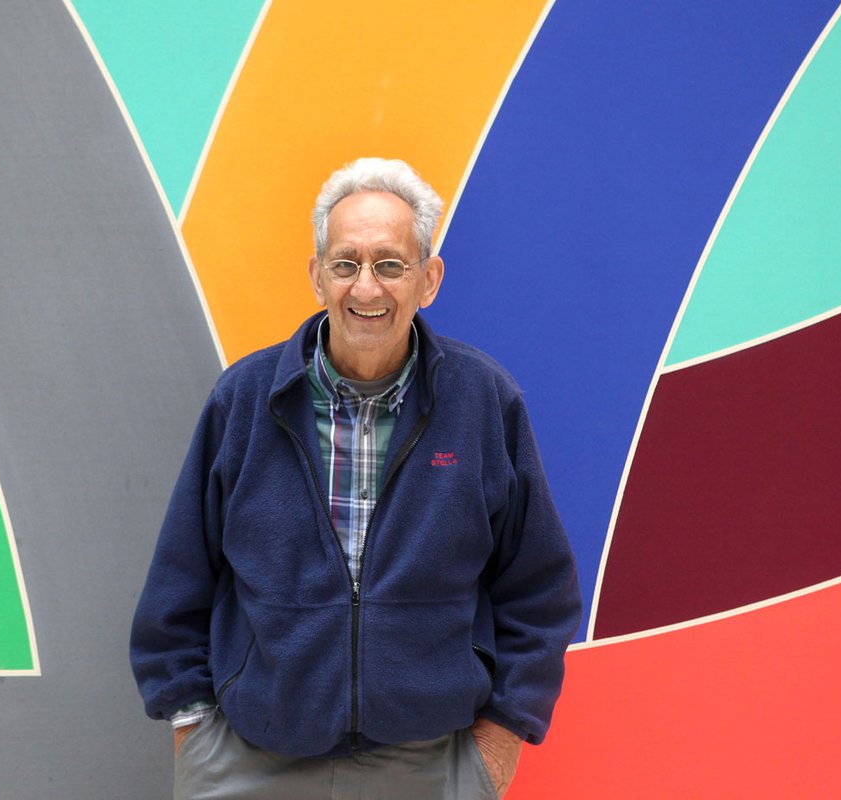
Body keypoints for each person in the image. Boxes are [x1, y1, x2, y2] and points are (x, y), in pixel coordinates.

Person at [131, 157, 581, 799]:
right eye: (346, 264)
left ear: (429, 279)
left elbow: (539, 591)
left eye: (390, 265)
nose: (366, 289)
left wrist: (499, 742)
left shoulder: (484, 402)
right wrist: (192, 729)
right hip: (250, 763)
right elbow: (180, 580)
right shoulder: (245, 400)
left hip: (426, 767)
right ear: (317, 277)